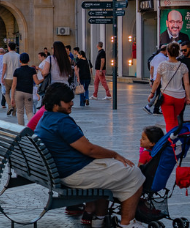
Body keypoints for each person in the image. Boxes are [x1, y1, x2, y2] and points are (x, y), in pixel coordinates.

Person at [35, 83, 145, 228]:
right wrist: (114, 154)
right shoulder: (61, 122)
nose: (71, 103)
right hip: (73, 173)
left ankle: (98, 219)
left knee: (109, 170)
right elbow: (89, 150)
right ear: (56, 105)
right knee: (134, 173)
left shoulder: (46, 118)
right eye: (68, 101)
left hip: (62, 170)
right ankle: (127, 223)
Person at [149, 42, 190, 132]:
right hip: (180, 97)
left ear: (167, 52)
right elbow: (187, 83)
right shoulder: (183, 66)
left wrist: (152, 93)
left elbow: (157, 82)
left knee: (169, 121)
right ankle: (177, 138)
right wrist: (188, 97)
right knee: (175, 120)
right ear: (178, 53)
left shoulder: (162, 65)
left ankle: (171, 143)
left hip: (167, 96)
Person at [10, 53, 41, 126]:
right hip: (28, 93)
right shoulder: (32, 70)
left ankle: (21, 128)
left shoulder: (17, 71)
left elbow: (14, 85)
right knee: (29, 112)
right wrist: (43, 79)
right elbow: (36, 82)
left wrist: (12, 97)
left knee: (20, 112)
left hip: (18, 93)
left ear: (20, 61)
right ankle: (32, 127)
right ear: (29, 60)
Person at [146, 45, 168, 115]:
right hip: (161, 78)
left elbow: (151, 68)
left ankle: (156, 108)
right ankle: (149, 106)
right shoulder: (164, 58)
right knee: (158, 94)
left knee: (158, 93)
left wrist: (151, 77)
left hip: (155, 78)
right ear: (165, 51)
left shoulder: (155, 57)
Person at [2, 42, 20, 115]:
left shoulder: (6, 55)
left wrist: (2, 76)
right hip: (16, 77)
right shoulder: (18, 56)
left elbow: (4, 67)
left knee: (6, 92)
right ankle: (14, 111)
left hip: (8, 77)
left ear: (8, 47)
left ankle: (10, 106)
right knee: (15, 94)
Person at [177, 41, 190, 118]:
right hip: (182, 89)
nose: (183, 52)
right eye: (181, 50)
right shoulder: (180, 61)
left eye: (185, 50)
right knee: (180, 113)